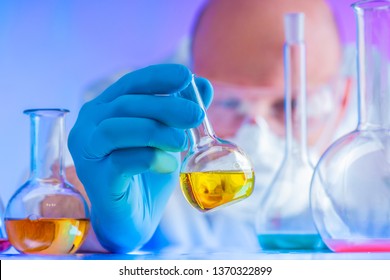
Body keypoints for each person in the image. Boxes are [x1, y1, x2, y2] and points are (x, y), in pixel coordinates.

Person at [68, 0, 357, 253]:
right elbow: (49, 201)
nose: (257, 137)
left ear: (343, 99)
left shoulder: (378, 137)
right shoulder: (140, 105)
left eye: (291, 106)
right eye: (229, 103)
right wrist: (104, 224)